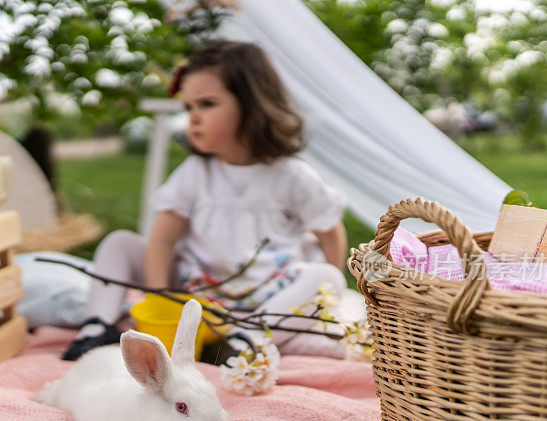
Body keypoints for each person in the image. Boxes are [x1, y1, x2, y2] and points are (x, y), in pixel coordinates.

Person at [62, 40, 348, 361]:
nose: (193, 118)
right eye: (189, 107)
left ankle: (245, 340)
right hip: (195, 296)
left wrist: (320, 301)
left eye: (207, 104)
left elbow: (330, 231)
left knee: (329, 277)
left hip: (265, 298)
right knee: (120, 243)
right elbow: (163, 239)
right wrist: (164, 301)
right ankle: (97, 325)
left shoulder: (291, 175)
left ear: (253, 104)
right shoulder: (196, 172)